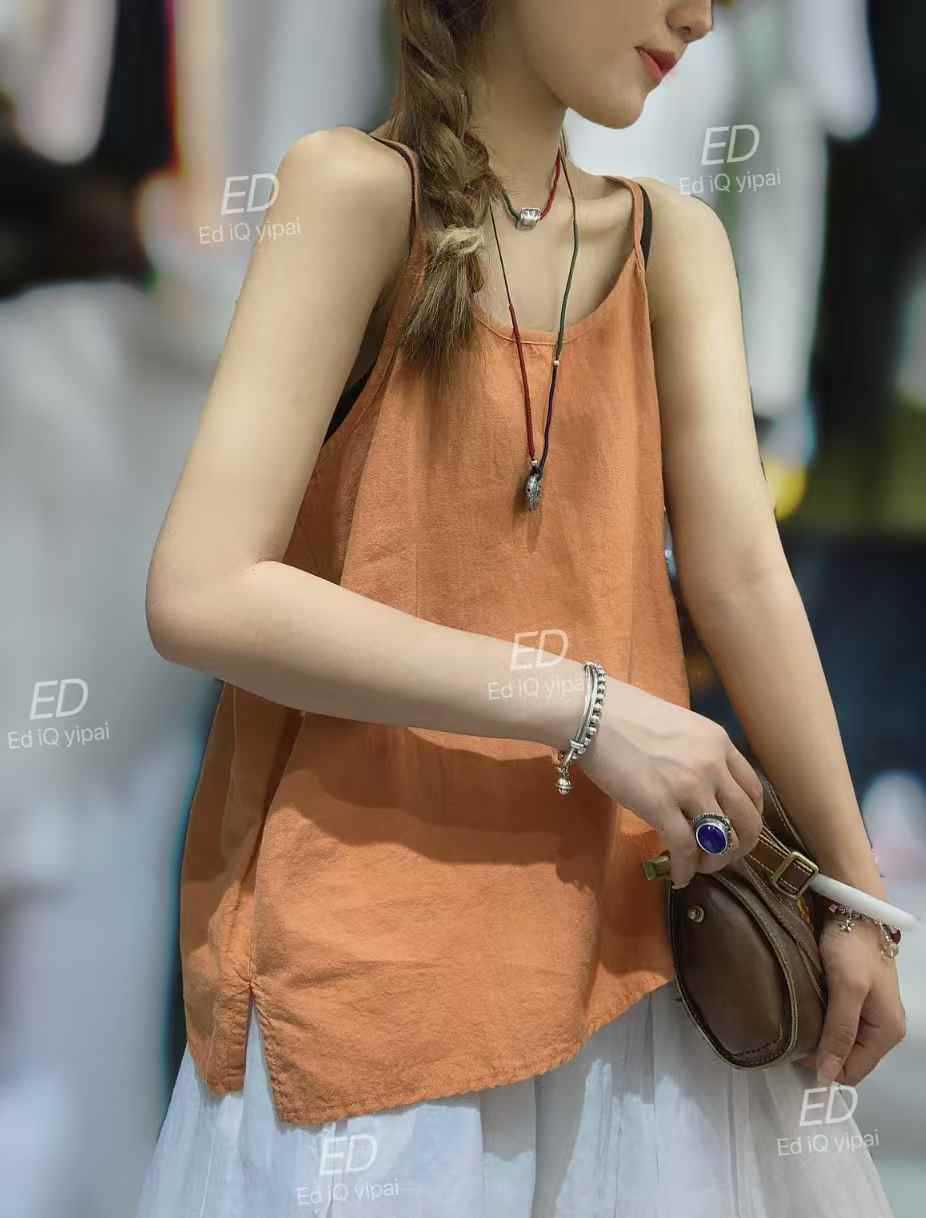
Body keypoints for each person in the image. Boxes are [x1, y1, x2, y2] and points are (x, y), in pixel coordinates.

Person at [136, 2, 906, 1215]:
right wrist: (581, 706)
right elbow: (201, 589)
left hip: (628, 980)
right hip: (378, 984)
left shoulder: (670, 242)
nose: (698, 17)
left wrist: (854, 897)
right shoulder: (351, 194)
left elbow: (741, 576)